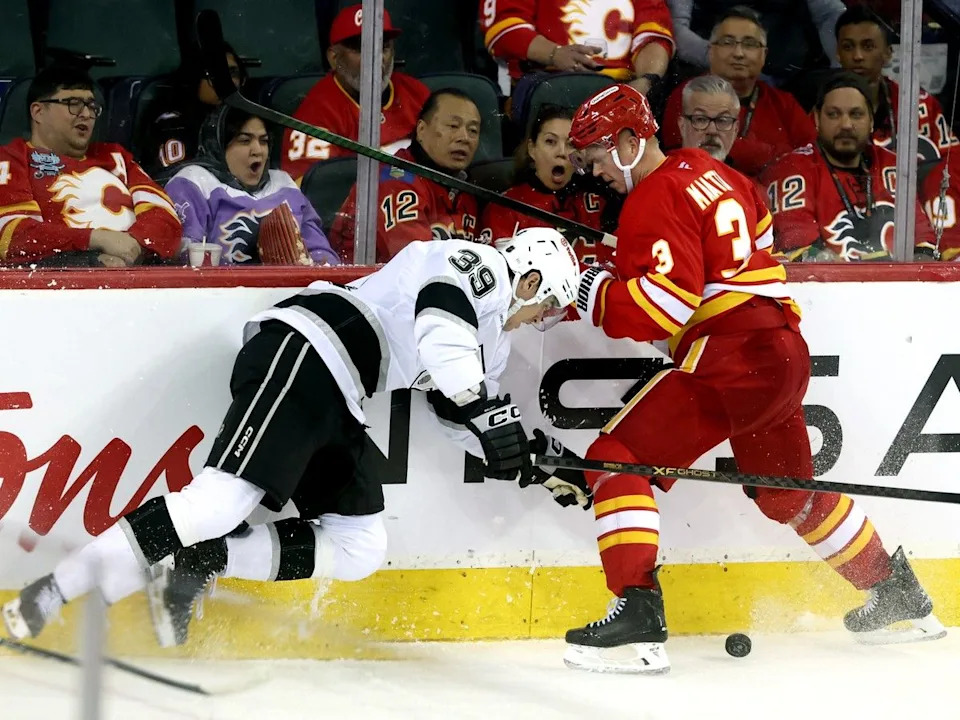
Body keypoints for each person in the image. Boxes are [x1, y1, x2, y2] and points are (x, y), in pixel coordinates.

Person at [2, 227, 582, 647]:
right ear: (529, 277)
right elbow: (440, 329)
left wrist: (529, 457)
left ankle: (204, 559)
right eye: (548, 306)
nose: (541, 320)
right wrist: (488, 412)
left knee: (360, 547)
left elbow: (457, 412)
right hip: (311, 348)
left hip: (343, 392)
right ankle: (52, 591)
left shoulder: (491, 345)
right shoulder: (475, 263)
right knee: (217, 502)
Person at [560, 82, 944, 674]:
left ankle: (636, 619)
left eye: (598, 157)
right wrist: (625, 261)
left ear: (632, 141)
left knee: (616, 456)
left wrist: (597, 295)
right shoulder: (723, 177)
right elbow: (738, 264)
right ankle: (896, 596)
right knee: (786, 493)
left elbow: (664, 307)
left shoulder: (654, 197)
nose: (594, 173)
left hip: (733, 359)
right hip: (783, 354)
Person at [0, 64, 181, 268]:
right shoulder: (12, 158)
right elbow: (11, 235)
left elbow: (165, 215)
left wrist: (136, 246)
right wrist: (95, 243)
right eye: (73, 103)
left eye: (92, 106)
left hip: (136, 266)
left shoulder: (116, 156)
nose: (86, 114)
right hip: (65, 277)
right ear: (38, 111)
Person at [762, 72, 938, 262]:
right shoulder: (792, 169)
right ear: (817, 120)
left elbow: (923, 240)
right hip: (828, 289)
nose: (846, 125)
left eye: (856, 114)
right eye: (833, 114)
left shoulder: (892, 164)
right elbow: (800, 252)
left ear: (871, 122)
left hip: (897, 288)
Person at [834, 5, 960, 260]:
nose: (858, 56)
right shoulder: (824, 108)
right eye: (848, 47)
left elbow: (951, 164)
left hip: (920, 213)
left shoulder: (920, 104)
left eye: (868, 46)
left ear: (888, 53)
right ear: (837, 53)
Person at [165, 106, 339, 266]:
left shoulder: (284, 185)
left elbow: (322, 254)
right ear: (218, 145)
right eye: (244, 141)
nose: (257, 150)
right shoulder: (193, 182)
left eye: (263, 141)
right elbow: (184, 258)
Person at [662, 6, 816, 179]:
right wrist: (766, 154)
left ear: (764, 55)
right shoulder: (687, 94)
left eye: (749, 44)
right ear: (710, 50)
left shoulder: (784, 104)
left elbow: (811, 156)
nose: (739, 53)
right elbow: (681, 155)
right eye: (728, 42)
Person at [329, 88, 482, 263]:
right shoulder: (395, 181)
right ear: (422, 130)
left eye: (473, 130)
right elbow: (415, 265)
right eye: (453, 126)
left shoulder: (465, 192)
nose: (464, 137)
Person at [281, 4, 430, 181]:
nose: (377, 57)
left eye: (384, 46)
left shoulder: (417, 93)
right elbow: (312, 192)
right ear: (334, 58)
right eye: (361, 48)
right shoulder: (315, 115)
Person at [479, 104, 609, 264]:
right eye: (550, 141)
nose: (561, 152)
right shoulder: (505, 207)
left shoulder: (599, 203)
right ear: (532, 149)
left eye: (570, 144)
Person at [479, 0, 675, 95]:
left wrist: (645, 82)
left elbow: (654, 37)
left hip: (623, 88)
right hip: (551, 82)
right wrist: (554, 54)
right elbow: (503, 30)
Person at [666, 0, 844, 86]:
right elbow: (676, 30)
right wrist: (727, 59)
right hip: (714, 72)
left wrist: (839, 68)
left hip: (793, 76)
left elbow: (831, 13)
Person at [139, 41, 248, 177]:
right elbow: (175, 182)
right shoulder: (171, 123)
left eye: (232, 73)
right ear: (193, 78)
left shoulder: (248, 118)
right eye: (214, 75)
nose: (226, 82)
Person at [676, 74, 740, 162]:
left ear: (735, 130)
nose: (712, 131)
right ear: (682, 126)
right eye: (701, 119)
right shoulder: (661, 174)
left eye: (722, 120)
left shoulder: (738, 176)